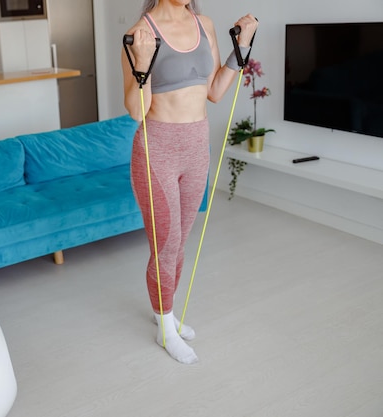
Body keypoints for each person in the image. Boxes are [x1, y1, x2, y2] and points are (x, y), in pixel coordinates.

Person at [122, 0, 258, 364]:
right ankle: (165, 329)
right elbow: (137, 110)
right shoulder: (141, 33)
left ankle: (163, 313)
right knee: (165, 246)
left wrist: (241, 47)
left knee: (179, 243)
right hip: (157, 151)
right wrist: (142, 63)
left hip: (197, 148)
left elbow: (214, 91)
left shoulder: (205, 24)